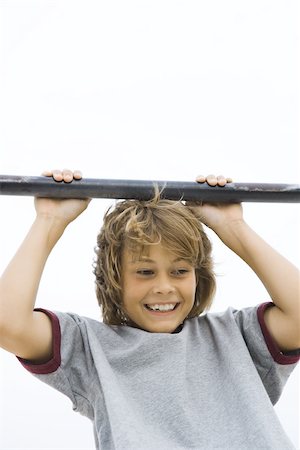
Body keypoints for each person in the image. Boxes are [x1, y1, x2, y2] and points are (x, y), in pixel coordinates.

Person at [0, 169, 299, 450]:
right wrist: (49, 220)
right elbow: (8, 323)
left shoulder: (237, 335)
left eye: (180, 271)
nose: (164, 286)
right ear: (115, 280)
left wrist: (233, 227)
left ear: (198, 275)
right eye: (145, 272)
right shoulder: (90, 349)